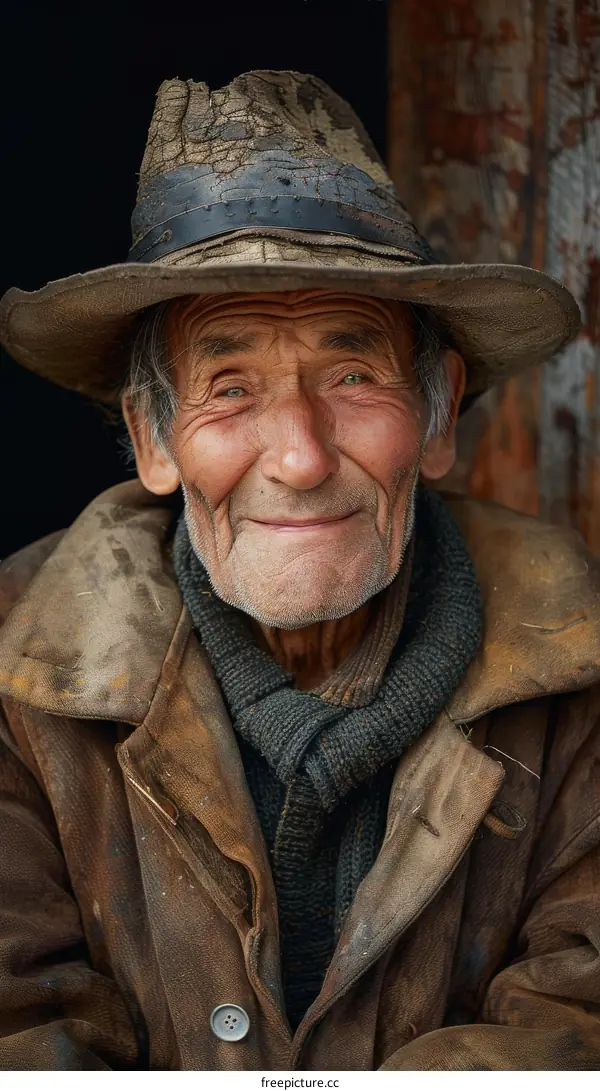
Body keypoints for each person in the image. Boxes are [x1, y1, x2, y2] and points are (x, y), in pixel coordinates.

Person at [0, 71, 598, 1072]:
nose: (303, 457)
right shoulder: (19, 677)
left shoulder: (578, 669)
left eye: (353, 374)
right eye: (230, 387)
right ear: (154, 437)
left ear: (439, 413)